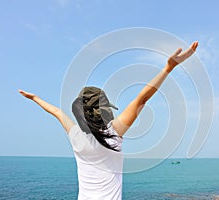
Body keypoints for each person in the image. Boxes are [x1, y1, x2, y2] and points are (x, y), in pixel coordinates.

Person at [19, 41, 198, 200]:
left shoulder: (75, 135)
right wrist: (168, 68)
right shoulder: (114, 133)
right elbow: (142, 98)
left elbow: (57, 112)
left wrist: (35, 98)